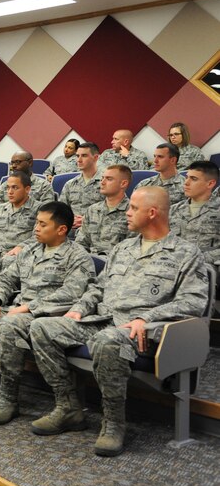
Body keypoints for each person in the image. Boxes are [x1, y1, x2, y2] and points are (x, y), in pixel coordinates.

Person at [28, 187, 208, 456]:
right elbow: (97, 288)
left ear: (152, 213)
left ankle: (114, 422)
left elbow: (194, 301)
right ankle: (67, 407)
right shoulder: (122, 248)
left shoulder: (186, 253)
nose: (127, 211)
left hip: (146, 333)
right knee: (42, 327)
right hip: (104, 320)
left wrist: (146, 318)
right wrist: (78, 309)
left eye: (134, 207)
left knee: (108, 340)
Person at [0, 202, 94, 415]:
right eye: (36, 223)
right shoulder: (30, 250)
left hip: (45, 316)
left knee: (10, 324)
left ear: (61, 229)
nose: (36, 228)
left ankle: (8, 397)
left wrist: (29, 307)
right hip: (15, 308)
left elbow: (72, 293)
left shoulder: (77, 256)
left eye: (42, 224)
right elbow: (6, 278)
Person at [76, 165, 136, 255]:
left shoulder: (133, 212)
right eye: (102, 178)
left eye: (109, 179)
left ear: (123, 183)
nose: (102, 182)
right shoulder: (92, 210)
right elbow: (81, 243)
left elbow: (131, 249)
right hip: (89, 262)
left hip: (117, 264)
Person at [170, 160, 219, 263]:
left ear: (210, 183)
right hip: (173, 267)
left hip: (208, 268)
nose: (186, 182)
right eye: (187, 177)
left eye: (194, 179)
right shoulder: (174, 210)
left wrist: (194, 258)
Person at [58, 142, 104, 229]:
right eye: (77, 156)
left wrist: (87, 220)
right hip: (71, 230)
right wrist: (70, 220)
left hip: (97, 230)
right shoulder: (70, 184)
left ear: (96, 158)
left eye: (84, 156)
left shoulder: (107, 183)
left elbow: (116, 213)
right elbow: (61, 210)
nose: (79, 160)